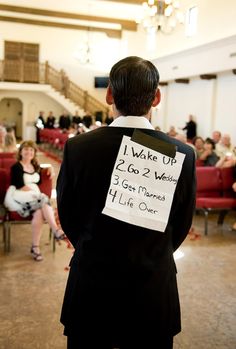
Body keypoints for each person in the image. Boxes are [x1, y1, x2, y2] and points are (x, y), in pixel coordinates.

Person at [57, 56, 196, 349]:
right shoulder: (179, 152)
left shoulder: (79, 148)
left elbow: (67, 213)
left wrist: (89, 244)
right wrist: (152, 252)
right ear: (156, 97)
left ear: (109, 94)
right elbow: (182, 223)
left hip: (92, 286)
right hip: (153, 289)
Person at [4, 140, 65, 261]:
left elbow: (44, 169)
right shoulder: (16, 166)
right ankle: (56, 229)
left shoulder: (35, 166)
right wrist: (36, 195)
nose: (29, 152)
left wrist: (51, 169)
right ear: (20, 152)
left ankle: (35, 248)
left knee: (39, 214)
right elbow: (20, 185)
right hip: (19, 195)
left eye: (31, 150)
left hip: (34, 198)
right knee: (43, 199)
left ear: (34, 153)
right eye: (26, 149)